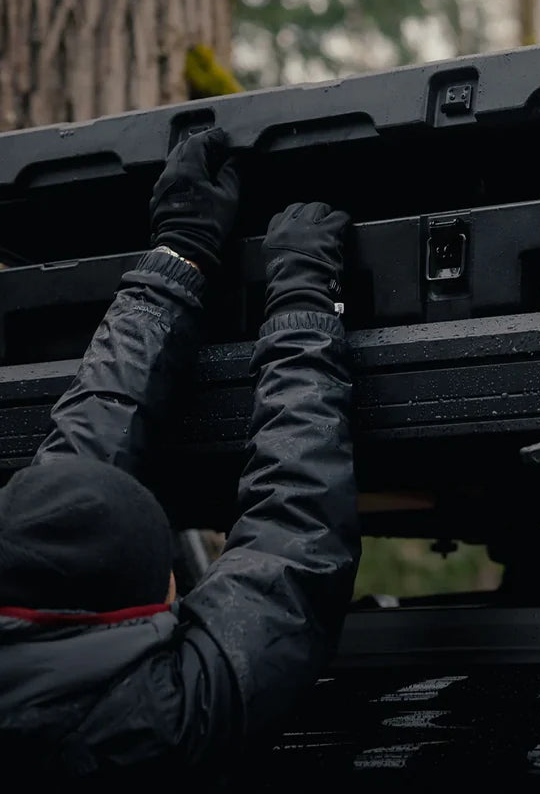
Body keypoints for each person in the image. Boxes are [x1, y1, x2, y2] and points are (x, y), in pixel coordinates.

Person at [0, 128, 362, 778]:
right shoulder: (158, 725)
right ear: (138, 614)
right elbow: (293, 545)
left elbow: (76, 484)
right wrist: (307, 302)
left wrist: (179, 257)